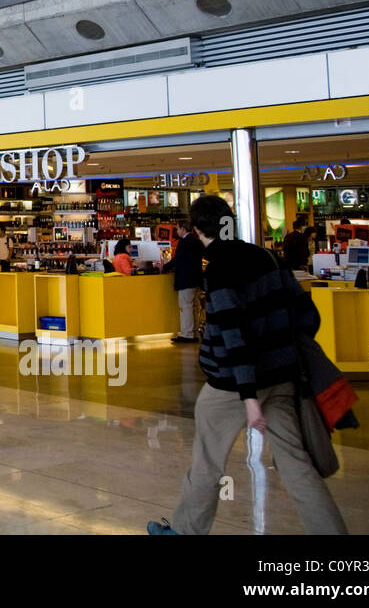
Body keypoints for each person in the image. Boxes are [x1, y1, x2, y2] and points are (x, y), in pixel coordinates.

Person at [148, 194, 347, 536]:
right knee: (298, 465)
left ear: (196, 230)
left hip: (231, 386)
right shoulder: (267, 256)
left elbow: (232, 335)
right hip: (282, 379)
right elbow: (306, 315)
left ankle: (183, 530)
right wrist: (280, 349)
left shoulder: (220, 268)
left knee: (208, 461)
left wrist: (248, 396)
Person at [163, 222, 203, 343]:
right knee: (195, 306)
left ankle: (187, 334)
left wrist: (165, 267)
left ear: (183, 229)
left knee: (186, 307)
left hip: (185, 279)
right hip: (196, 279)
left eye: (178, 228)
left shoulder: (184, 242)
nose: (177, 231)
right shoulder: (197, 241)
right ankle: (195, 332)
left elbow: (178, 259)